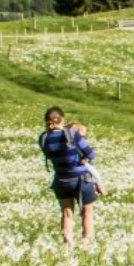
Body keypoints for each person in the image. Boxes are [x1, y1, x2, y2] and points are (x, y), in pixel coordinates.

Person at [38, 105, 100, 245]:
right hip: (81, 179)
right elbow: (91, 154)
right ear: (63, 120)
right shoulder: (72, 134)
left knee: (67, 212)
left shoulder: (43, 139)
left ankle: (67, 244)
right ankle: (86, 242)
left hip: (61, 180)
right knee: (87, 211)